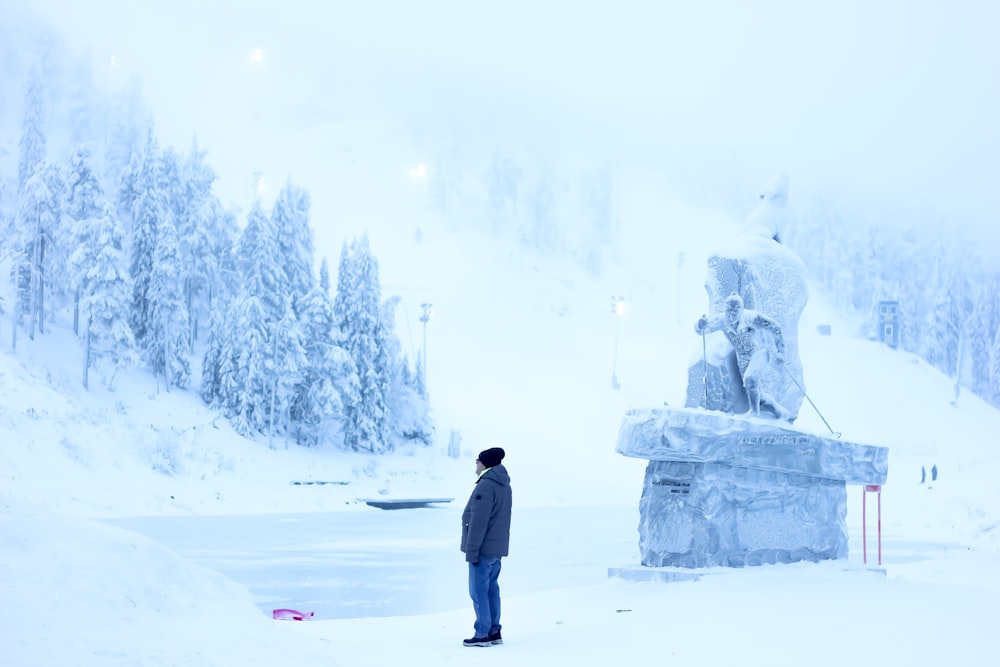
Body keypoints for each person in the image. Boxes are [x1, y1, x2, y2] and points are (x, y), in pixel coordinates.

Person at [696, 292, 789, 419]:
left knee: (750, 379)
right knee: (757, 395)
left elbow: (775, 327)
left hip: (760, 352)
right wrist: (700, 325)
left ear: (741, 311)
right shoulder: (721, 320)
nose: (731, 315)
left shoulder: (752, 317)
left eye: (735, 312)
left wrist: (781, 352)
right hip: (743, 358)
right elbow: (702, 330)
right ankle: (780, 412)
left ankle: (754, 414)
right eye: (728, 312)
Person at [460, 447, 512, 647]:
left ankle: (482, 633)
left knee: (478, 591)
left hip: (482, 548)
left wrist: (472, 550)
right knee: (491, 589)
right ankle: (494, 631)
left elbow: (478, 522)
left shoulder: (486, 486)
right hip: (496, 548)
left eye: (477, 460)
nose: (476, 463)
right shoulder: (504, 485)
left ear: (485, 464)